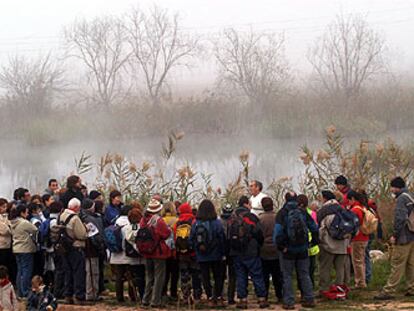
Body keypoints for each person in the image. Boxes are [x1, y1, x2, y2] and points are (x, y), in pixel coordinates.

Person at [274, 192, 318, 310]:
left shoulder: (282, 213)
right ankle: (309, 298)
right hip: (303, 249)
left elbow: (278, 232)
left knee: (287, 276)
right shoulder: (303, 212)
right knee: (304, 274)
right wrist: (313, 242)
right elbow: (314, 228)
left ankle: (289, 302)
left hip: (287, 250)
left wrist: (281, 247)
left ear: (285, 199)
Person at [375, 177, 414, 300]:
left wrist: (394, 235)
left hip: (403, 237)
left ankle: (388, 290)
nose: (391, 190)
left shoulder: (401, 199)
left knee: (397, 264)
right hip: (413, 235)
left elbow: (400, 219)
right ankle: (411, 288)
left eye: (392, 187)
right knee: (411, 264)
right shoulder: (410, 196)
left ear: (397, 187)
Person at [229, 196, 268, 309]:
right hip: (251, 252)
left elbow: (228, 235)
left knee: (241, 276)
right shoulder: (252, 217)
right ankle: (261, 299)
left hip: (237, 252)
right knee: (257, 275)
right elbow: (259, 234)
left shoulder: (233, 218)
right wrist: (258, 246)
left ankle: (242, 300)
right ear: (246, 204)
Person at [190, 199, 226, 307]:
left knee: (205, 277)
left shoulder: (195, 223)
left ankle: (209, 297)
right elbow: (222, 239)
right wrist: (223, 253)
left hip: (202, 255)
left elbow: (191, 239)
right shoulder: (217, 223)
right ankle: (218, 297)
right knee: (218, 276)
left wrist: (197, 249)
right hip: (216, 254)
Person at [317, 190, 351, 300]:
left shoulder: (324, 212)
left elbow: (322, 229)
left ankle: (324, 290)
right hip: (342, 245)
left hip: (328, 245)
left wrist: (320, 241)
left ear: (325, 198)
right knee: (340, 269)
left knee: (325, 268)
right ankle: (340, 291)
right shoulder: (343, 210)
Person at [138, 199, 172, 308]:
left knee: (149, 276)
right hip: (158, 252)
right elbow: (166, 234)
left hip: (147, 252)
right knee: (159, 277)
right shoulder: (159, 221)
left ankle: (145, 299)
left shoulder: (143, 220)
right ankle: (155, 300)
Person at [110, 205, 145, 303]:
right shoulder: (138, 227)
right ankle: (134, 296)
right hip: (136, 257)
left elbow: (123, 242)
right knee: (136, 276)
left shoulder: (118, 223)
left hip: (122, 254)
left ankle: (120, 298)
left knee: (120, 276)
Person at [60, 198, 88, 305]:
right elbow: (82, 235)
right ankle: (79, 296)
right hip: (75, 247)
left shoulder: (61, 216)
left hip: (64, 248)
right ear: (76, 207)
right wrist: (86, 229)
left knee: (68, 272)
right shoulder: (75, 218)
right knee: (78, 273)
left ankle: (68, 295)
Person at [173, 202, 202, 306]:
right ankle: (197, 297)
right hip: (193, 253)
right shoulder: (194, 221)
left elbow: (174, 238)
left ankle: (186, 297)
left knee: (184, 276)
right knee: (196, 275)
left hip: (182, 254)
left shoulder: (177, 223)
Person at [10, 204, 38, 298]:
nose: (27, 214)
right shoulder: (24, 222)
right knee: (27, 271)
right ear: (22, 213)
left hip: (16, 248)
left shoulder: (12, 222)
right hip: (26, 249)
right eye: (26, 212)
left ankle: (20, 292)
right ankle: (26, 291)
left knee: (20, 271)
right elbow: (35, 229)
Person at [259, 197, 283, 303]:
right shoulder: (278, 217)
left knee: (264, 275)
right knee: (277, 274)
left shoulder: (260, 219)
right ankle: (280, 295)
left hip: (264, 249)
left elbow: (258, 235)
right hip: (276, 249)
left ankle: (264, 296)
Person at [81, 199, 105, 302]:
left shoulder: (82, 217)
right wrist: (100, 247)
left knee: (89, 272)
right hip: (92, 250)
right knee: (93, 272)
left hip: (85, 249)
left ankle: (91, 292)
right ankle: (92, 293)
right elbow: (95, 236)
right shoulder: (90, 219)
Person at [348, 190, 370, 289]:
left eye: (349, 200)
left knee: (357, 261)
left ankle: (360, 283)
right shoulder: (362, 208)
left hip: (357, 238)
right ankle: (363, 281)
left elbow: (354, 224)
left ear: (353, 199)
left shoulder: (355, 210)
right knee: (362, 260)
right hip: (365, 237)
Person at [297, 194, 319, 288]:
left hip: (301, 244)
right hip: (312, 246)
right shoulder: (312, 213)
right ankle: (311, 285)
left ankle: (301, 286)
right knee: (311, 268)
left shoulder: (296, 213)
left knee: (301, 268)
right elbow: (315, 228)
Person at [161, 202, 179, 302]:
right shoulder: (177, 220)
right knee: (175, 273)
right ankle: (173, 293)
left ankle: (163, 292)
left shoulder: (161, 221)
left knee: (165, 273)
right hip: (174, 251)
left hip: (163, 251)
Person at [220, 203, 236, 305]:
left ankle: (220, 295)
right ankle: (230, 297)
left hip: (221, 251)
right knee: (232, 276)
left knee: (220, 275)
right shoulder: (235, 222)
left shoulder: (218, 222)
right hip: (232, 251)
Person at [0, 198, 13, 285]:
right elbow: (5, 230)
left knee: (8, 265)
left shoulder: (7, 216)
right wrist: (8, 226)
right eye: (3, 207)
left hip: (8, 245)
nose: (5, 208)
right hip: (1, 245)